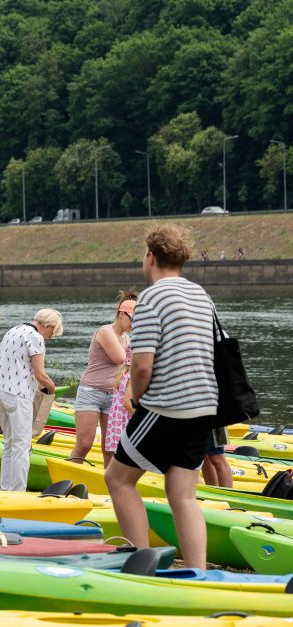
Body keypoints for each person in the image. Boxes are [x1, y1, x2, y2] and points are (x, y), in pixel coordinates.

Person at [104, 224, 218, 569]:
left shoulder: (152, 297)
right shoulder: (201, 295)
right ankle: (198, 571)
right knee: (183, 495)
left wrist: (137, 399)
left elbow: (141, 367)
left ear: (151, 256)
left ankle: (142, 561)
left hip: (167, 406)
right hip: (204, 407)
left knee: (117, 479)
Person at [0, 308, 62, 492]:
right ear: (46, 326)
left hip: (0, 390)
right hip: (19, 394)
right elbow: (40, 374)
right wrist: (52, 388)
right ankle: (18, 491)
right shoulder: (35, 337)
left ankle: (6, 488)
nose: (49, 338)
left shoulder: (12, 330)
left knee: (9, 443)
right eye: (51, 333)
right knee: (22, 446)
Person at [70, 291, 136, 467]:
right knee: (84, 444)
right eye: (132, 319)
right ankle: (68, 476)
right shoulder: (105, 332)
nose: (134, 324)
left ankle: (108, 488)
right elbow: (121, 359)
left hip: (113, 397)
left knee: (110, 449)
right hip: (91, 392)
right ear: (121, 314)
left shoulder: (127, 338)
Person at [104, 346, 134, 458]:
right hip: (127, 419)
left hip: (117, 420)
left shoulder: (123, 373)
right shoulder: (132, 377)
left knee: (119, 453)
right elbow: (128, 404)